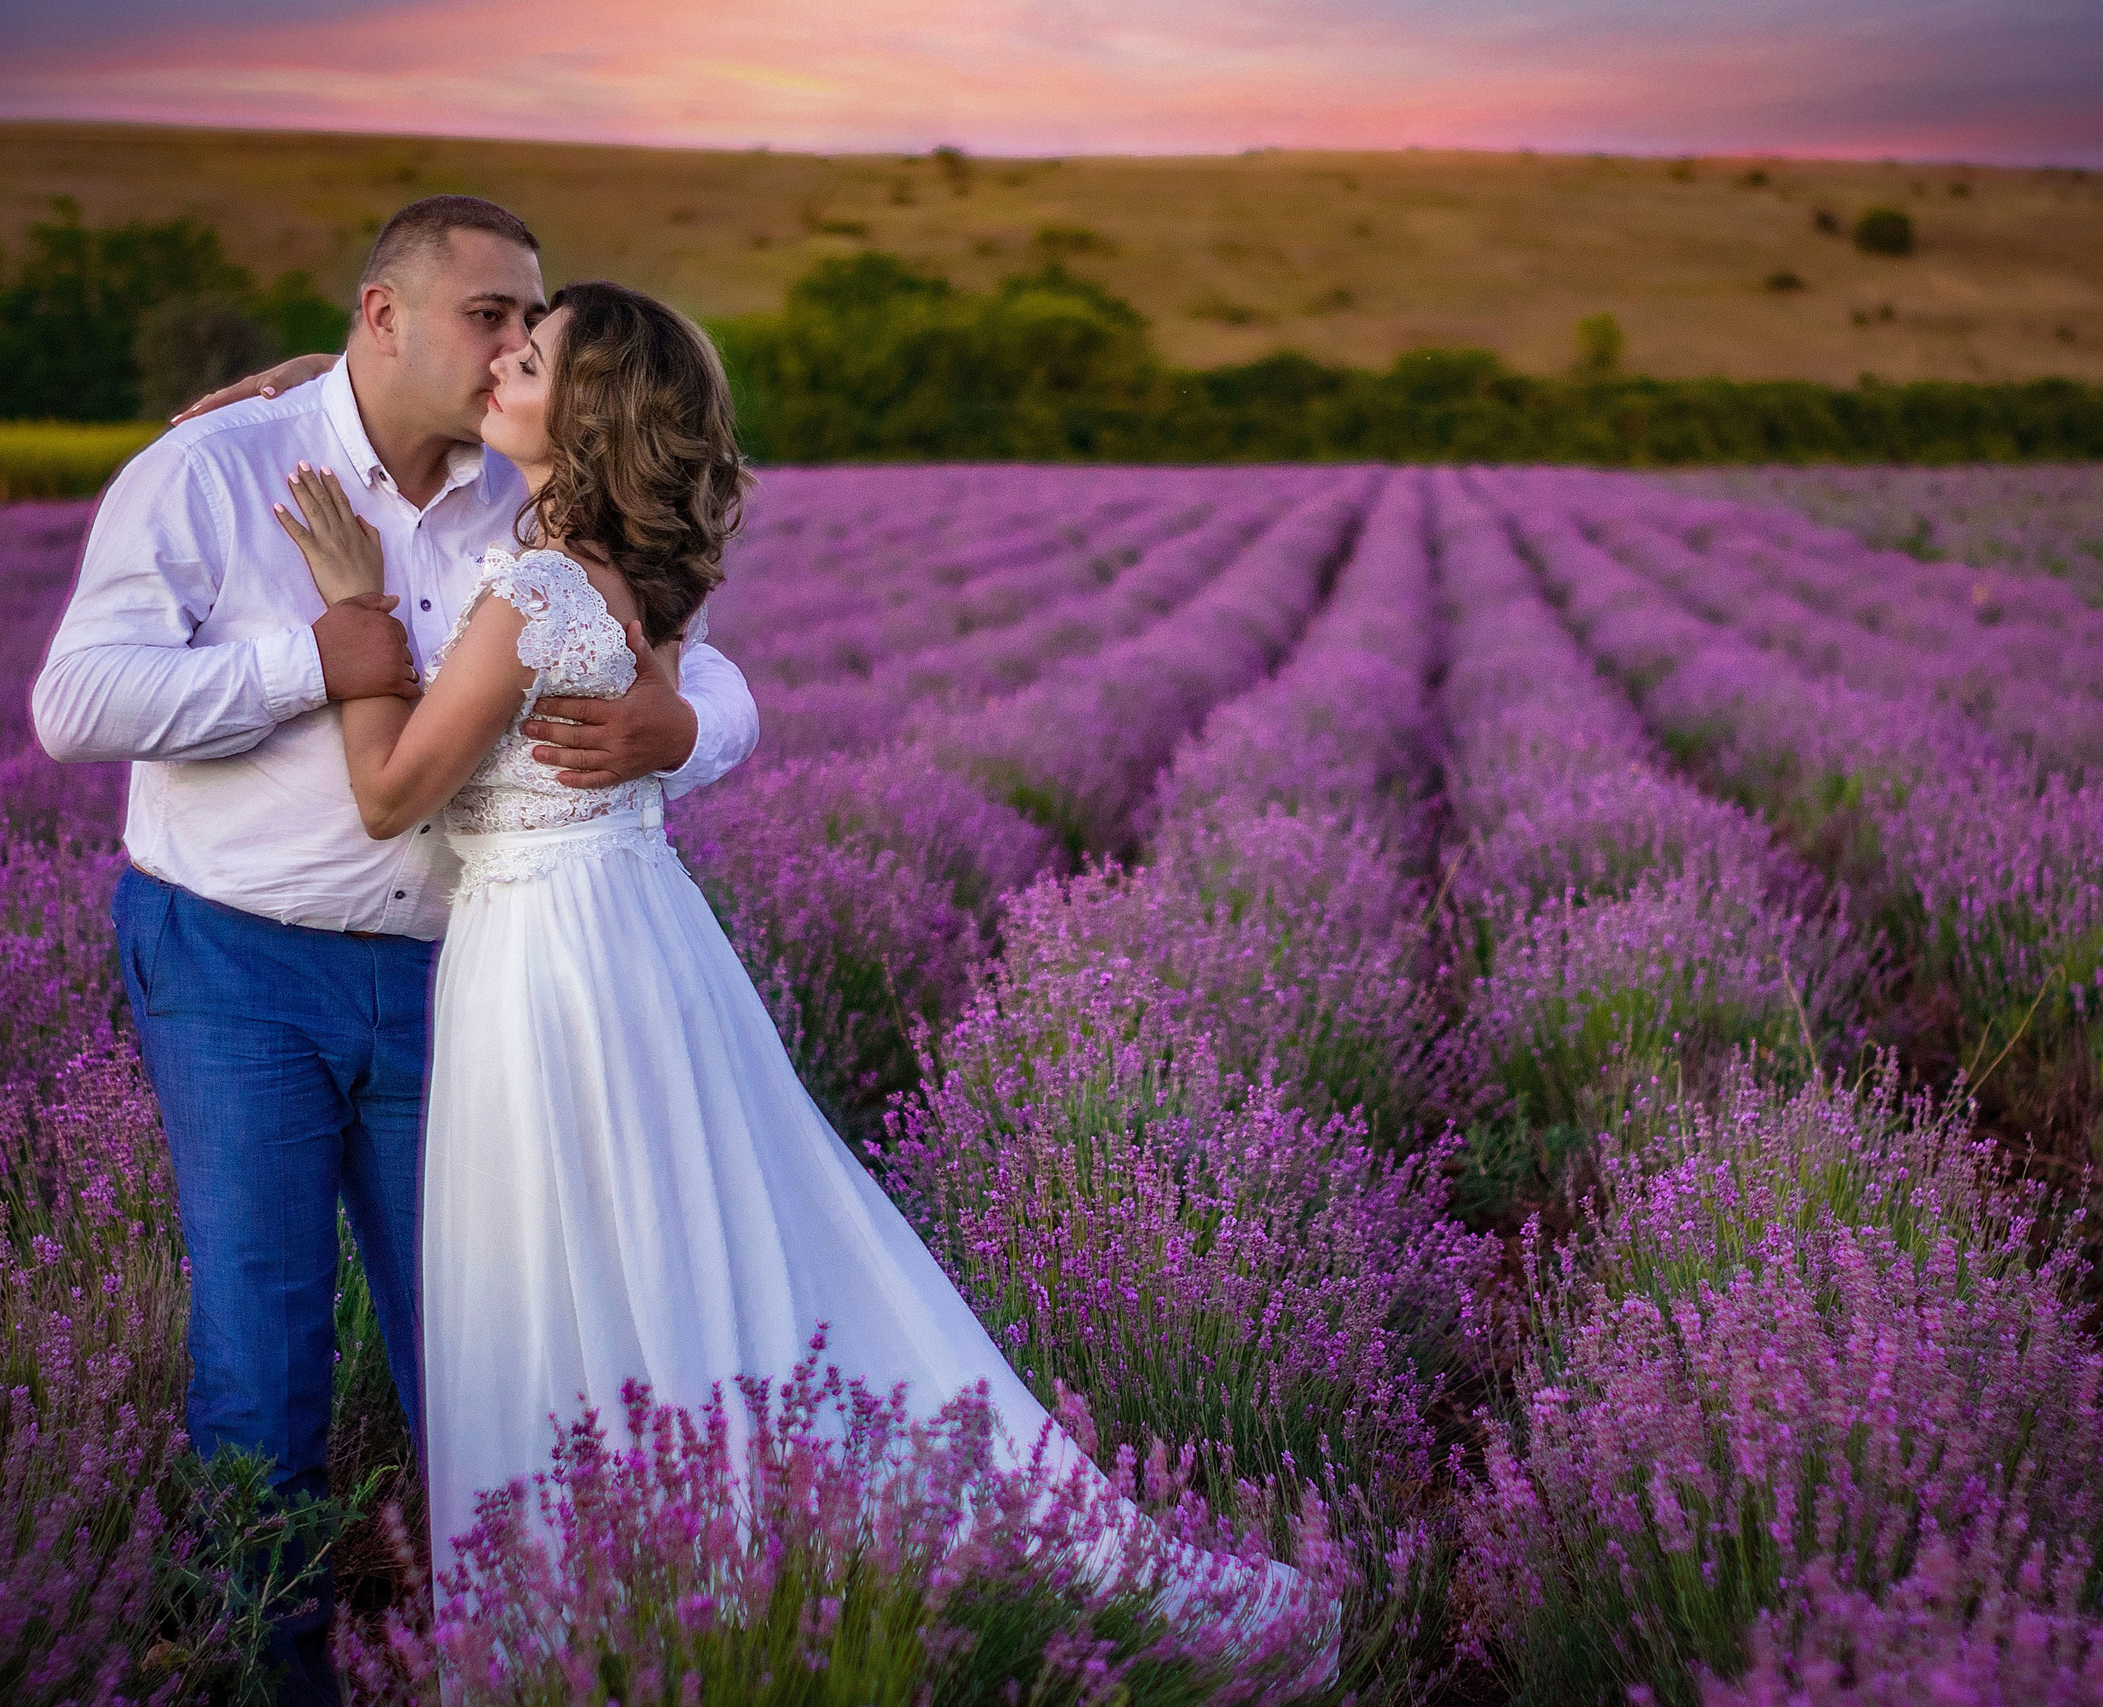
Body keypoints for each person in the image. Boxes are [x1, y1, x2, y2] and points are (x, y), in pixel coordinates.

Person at [272, 279, 1335, 1681]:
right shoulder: (620, 578)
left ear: (589, 416)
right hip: (634, 934)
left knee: (569, 1262)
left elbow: (390, 796)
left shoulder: (532, 590)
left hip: (549, 961)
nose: (504, 364)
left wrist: (355, 621)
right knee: (672, 1248)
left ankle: (631, 1616)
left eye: (531, 358)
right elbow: (674, 693)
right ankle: (714, 1585)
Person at [30, 196, 760, 1706]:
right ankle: (268, 1665)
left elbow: (700, 659)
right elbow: (76, 702)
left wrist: (682, 731)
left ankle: (530, 1650)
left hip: (461, 977)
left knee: (484, 1329)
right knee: (263, 1337)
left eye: (529, 326)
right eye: (491, 317)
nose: (512, 350)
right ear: (383, 315)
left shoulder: (524, 488)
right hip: (236, 960)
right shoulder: (216, 467)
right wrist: (310, 656)